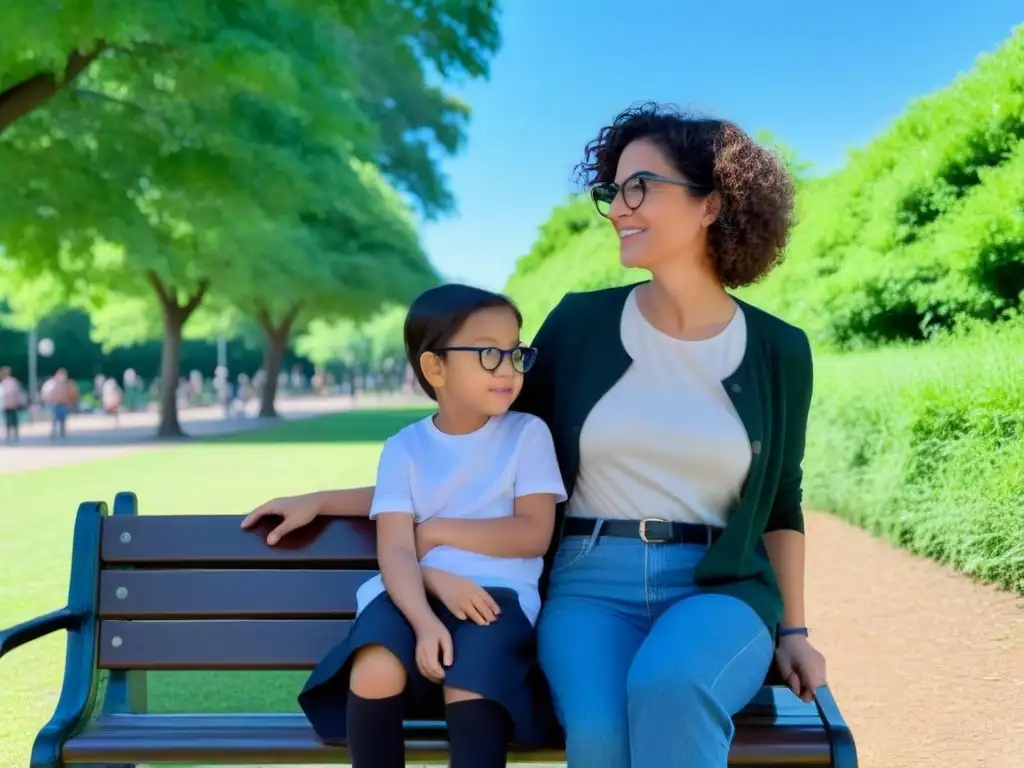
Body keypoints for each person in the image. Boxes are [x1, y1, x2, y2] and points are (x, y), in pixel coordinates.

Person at [244, 102, 828, 767]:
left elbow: (783, 501)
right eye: (613, 190)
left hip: (718, 586)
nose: (618, 206)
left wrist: (796, 628)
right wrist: (327, 499)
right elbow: (478, 449)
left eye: (642, 187)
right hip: (589, 584)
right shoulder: (580, 327)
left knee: (669, 683)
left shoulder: (780, 350)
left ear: (711, 205)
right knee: (601, 741)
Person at [295, 284, 567, 768]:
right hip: (409, 593)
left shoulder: (527, 435)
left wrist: (438, 531)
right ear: (434, 367)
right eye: (488, 354)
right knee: (374, 668)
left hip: (495, 597)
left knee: (471, 682)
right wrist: (422, 620)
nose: (508, 368)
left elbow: (531, 533)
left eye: (515, 352)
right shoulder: (404, 447)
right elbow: (396, 551)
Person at [1, 366, 26, 443]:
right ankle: (13, 435)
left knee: (11, 420)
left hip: (10, 404)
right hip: (10, 404)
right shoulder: (10, 382)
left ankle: (12, 435)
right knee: (12, 420)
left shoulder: (7, 382)